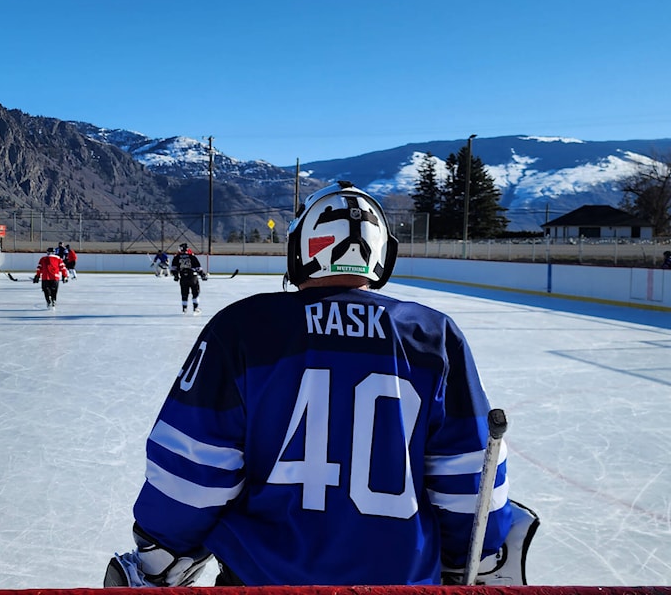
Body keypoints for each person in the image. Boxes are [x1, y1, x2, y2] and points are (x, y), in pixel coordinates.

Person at [105, 182, 537, 588]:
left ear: (301, 248)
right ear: (382, 254)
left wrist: (161, 552)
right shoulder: (433, 336)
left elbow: (194, 470)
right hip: (401, 586)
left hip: (262, 582)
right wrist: (474, 555)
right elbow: (467, 475)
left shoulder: (243, 330)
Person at [169, 243, 207, 314]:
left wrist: (176, 276)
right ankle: (195, 308)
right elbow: (198, 267)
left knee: (184, 293)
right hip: (193, 277)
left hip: (183, 277)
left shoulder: (177, 257)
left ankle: (184, 308)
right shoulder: (191, 256)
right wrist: (202, 275)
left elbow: (174, 268)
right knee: (195, 293)